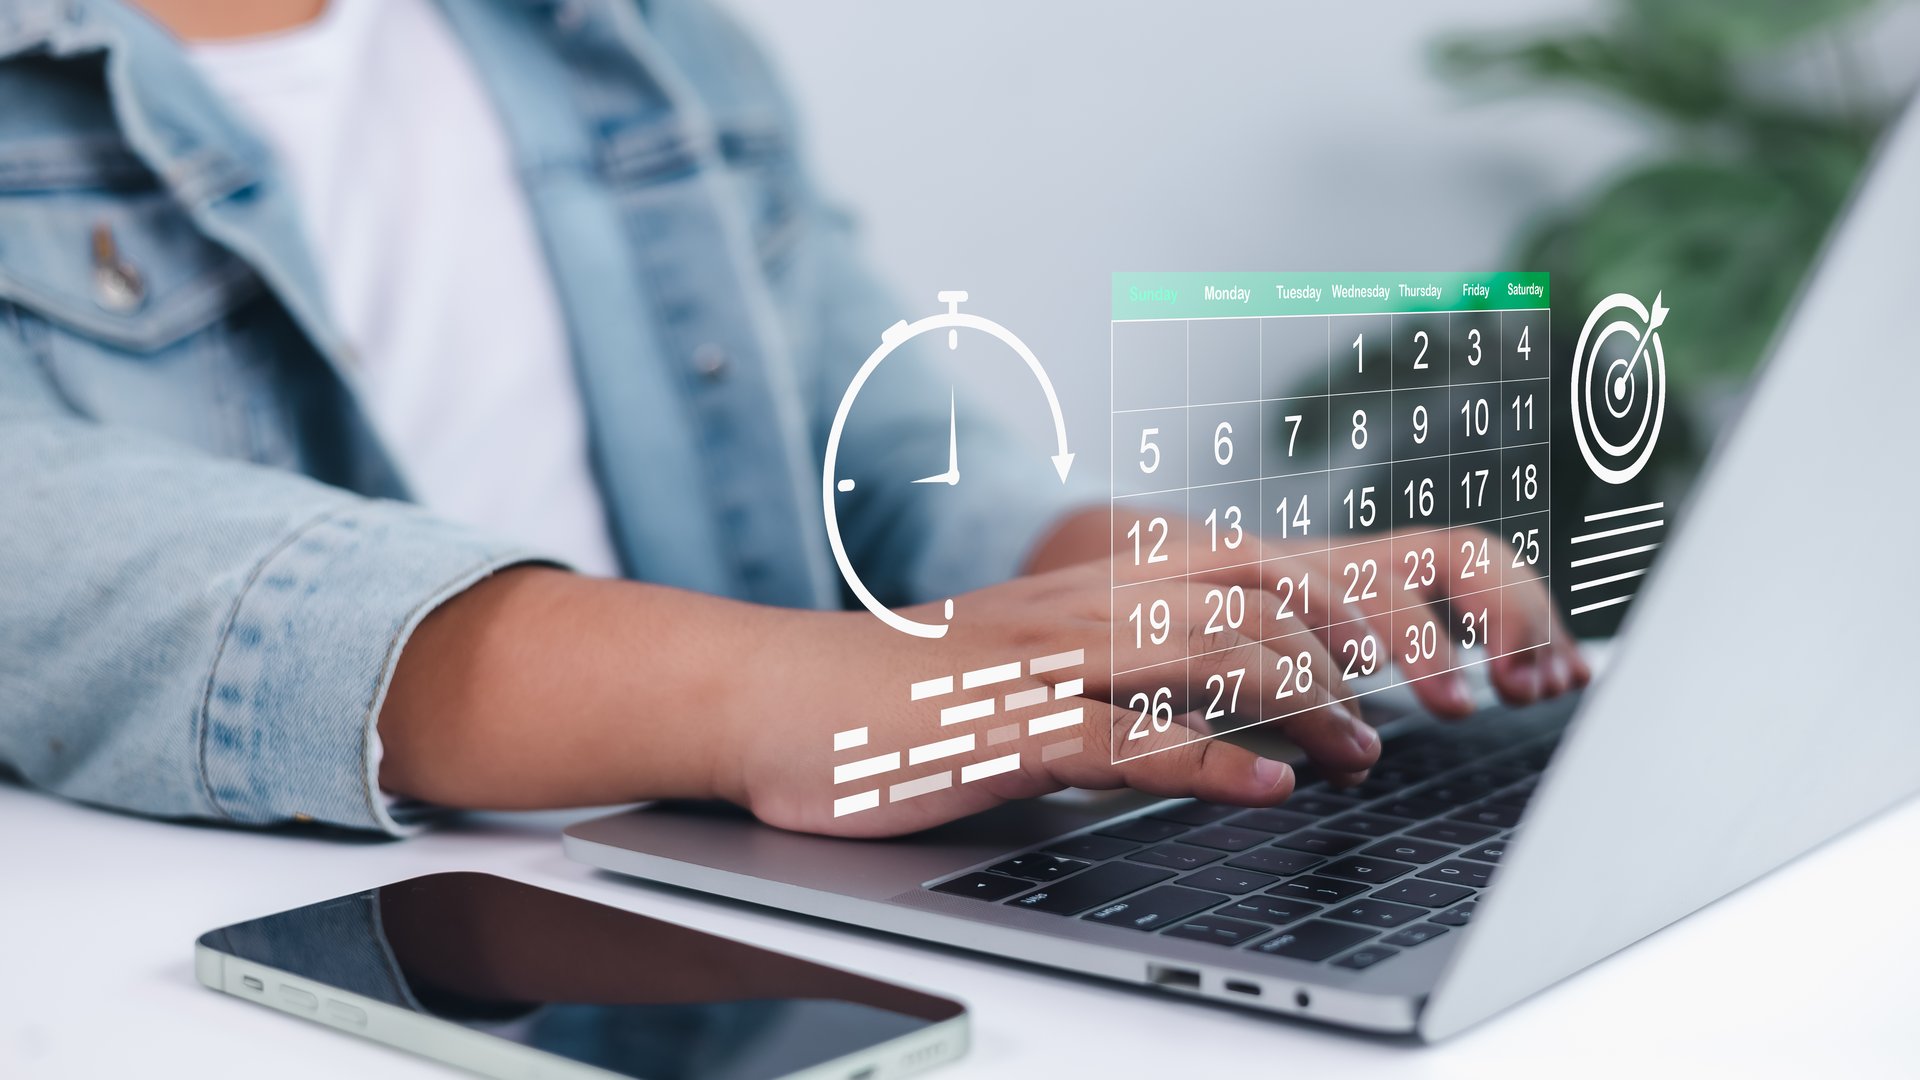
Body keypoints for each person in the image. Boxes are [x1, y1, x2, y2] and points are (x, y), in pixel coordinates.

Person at [0, 0, 1587, 839]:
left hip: (724, 904)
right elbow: (57, 547)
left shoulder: (641, 41)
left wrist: (1198, 586)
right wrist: (769, 687)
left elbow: (885, 463)